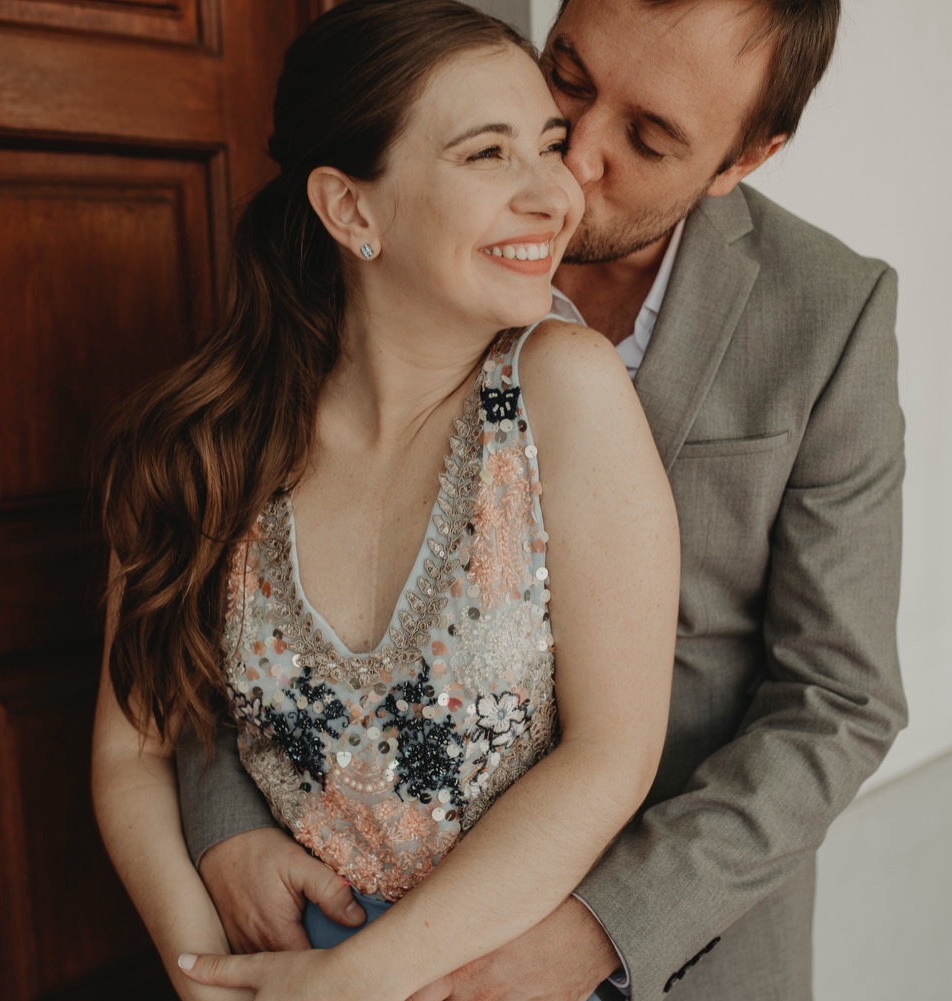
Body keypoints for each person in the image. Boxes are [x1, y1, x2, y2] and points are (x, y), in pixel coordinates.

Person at [176, 0, 908, 999]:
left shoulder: (828, 312)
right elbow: (236, 587)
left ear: (745, 158)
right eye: (569, 78)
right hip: (335, 925)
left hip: (672, 955)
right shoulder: (389, 246)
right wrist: (224, 826)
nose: (576, 162)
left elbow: (840, 700)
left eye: (648, 138)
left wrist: (604, 927)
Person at [90, 2, 680, 999]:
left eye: (547, 144)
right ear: (350, 209)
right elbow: (129, 750)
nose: (555, 193)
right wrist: (201, 970)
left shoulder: (566, 390)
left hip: (486, 978)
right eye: (488, 153)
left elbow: (612, 754)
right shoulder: (200, 443)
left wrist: (360, 980)